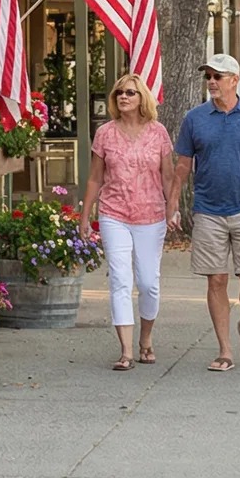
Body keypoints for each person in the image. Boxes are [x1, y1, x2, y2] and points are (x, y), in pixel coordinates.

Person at [169, 52, 240, 372]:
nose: (212, 82)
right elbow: (182, 166)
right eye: (208, 77)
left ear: (235, 80)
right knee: (216, 279)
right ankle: (225, 349)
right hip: (208, 210)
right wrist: (173, 203)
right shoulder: (195, 118)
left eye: (218, 76)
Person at [83, 74, 175, 372]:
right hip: (114, 213)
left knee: (148, 282)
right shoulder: (105, 134)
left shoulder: (158, 133)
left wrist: (172, 208)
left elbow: (168, 176)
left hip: (151, 215)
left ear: (142, 99)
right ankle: (125, 351)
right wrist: (86, 214)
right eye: (119, 92)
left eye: (130, 93)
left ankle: (145, 339)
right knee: (120, 280)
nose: (124, 97)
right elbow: (96, 176)